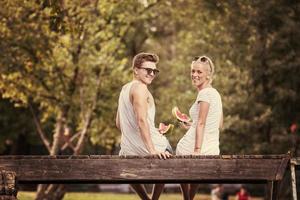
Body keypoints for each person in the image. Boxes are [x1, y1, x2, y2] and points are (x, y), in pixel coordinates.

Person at [116, 52, 172, 200]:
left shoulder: (124, 90)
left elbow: (118, 123)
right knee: (169, 149)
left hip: (127, 150)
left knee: (128, 162)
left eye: (155, 71)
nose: (152, 74)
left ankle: (145, 198)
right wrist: (152, 149)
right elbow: (141, 120)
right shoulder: (141, 88)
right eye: (148, 70)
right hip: (147, 148)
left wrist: (146, 132)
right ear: (136, 70)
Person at [176, 55, 223, 200]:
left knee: (176, 153)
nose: (194, 75)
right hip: (213, 149)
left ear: (208, 75)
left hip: (196, 150)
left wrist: (197, 151)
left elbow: (202, 123)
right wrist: (191, 124)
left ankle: (187, 198)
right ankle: (189, 198)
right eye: (193, 71)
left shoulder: (204, 93)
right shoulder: (216, 94)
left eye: (199, 72)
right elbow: (218, 124)